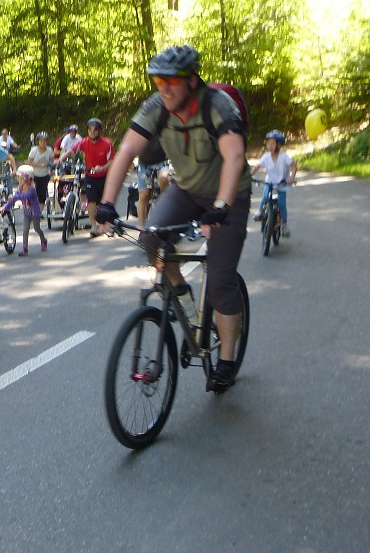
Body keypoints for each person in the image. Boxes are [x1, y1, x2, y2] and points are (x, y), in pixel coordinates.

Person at [96, 44, 252, 394]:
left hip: (229, 195)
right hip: (186, 191)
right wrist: (107, 203)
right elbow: (126, 151)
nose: (163, 88)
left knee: (221, 280)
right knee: (150, 239)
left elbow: (235, 155)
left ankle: (226, 359)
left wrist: (222, 207)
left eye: (171, 81)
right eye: (156, 80)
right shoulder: (157, 108)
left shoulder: (217, 105)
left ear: (192, 80)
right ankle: (181, 294)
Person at [64, 117, 113, 237]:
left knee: (103, 202)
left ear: (100, 131)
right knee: (91, 200)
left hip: (104, 175)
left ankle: (106, 224)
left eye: (95, 129)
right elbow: (71, 151)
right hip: (90, 175)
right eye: (90, 130)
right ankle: (93, 225)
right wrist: (60, 159)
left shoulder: (107, 143)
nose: (92, 132)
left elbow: (111, 160)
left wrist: (102, 168)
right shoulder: (84, 142)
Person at [250, 130, 297, 236]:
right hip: (270, 182)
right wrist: (249, 176)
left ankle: (284, 225)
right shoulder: (266, 156)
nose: (270, 146)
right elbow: (257, 166)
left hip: (282, 183)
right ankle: (259, 212)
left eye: (273, 143)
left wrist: (291, 178)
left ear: (279, 145)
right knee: (265, 196)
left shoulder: (284, 157)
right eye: (268, 143)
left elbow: (293, 166)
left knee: (282, 204)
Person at [1, 164, 47, 256]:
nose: (19, 180)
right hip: (27, 212)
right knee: (25, 230)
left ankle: (43, 240)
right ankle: (24, 248)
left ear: (28, 179)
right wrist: (5, 207)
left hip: (35, 212)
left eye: (21, 178)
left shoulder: (31, 189)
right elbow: (13, 200)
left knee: (36, 228)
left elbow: (25, 196)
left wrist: (14, 196)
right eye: (19, 178)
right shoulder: (20, 189)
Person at [133, 137, 171, 227]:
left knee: (164, 178)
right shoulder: (142, 126)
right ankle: (141, 230)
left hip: (162, 162)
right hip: (144, 164)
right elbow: (133, 143)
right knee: (143, 195)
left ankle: (164, 212)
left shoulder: (164, 124)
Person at [26, 132, 55, 220]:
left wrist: (51, 170)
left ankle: (38, 213)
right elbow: (29, 162)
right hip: (34, 175)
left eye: (45, 141)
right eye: (41, 141)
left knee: (42, 195)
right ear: (38, 142)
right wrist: (39, 164)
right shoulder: (34, 150)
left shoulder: (49, 150)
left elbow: (52, 162)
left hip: (45, 175)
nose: (43, 143)